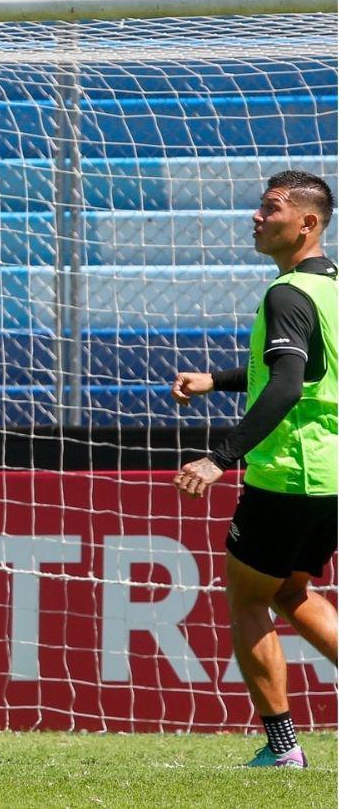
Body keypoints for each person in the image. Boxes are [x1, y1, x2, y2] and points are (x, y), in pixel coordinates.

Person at [172, 170, 337, 769]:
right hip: (331, 474)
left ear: (307, 223)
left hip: (286, 471)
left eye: (271, 209)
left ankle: (282, 748)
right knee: (291, 589)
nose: (256, 217)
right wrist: (217, 380)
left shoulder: (287, 294)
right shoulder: (332, 290)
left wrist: (221, 458)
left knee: (245, 598)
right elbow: (302, 372)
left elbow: (288, 386)